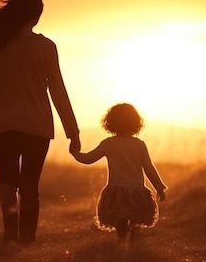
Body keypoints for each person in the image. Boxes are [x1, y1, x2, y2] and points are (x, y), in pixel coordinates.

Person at [0, 0, 81, 245]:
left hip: (3, 125)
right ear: (36, 17)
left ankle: (10, 230)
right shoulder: (46, 47)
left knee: (8, 179)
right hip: (38, 126)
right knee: (29, 184)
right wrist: (73, 131)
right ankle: (27, 236)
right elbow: (58, 91)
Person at [70, 103, 166, 244]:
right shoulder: (139, 145)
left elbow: (89, 159)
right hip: (137, 192)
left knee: (119, 220)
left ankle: (122, 241)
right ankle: (132, 246)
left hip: (117, 192)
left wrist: (75, 153)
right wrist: (159, 187)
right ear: (136, 122)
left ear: (110, 122)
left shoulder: (109, 144)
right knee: (135, 221)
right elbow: (149, 168)